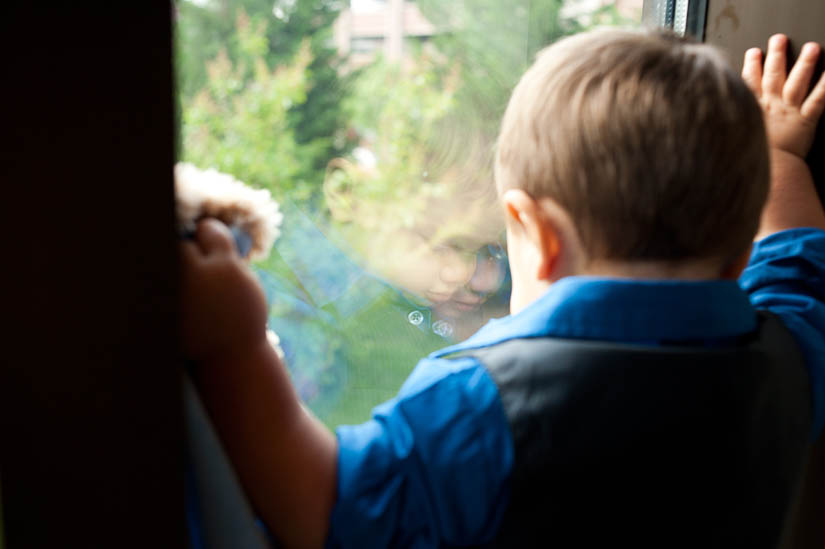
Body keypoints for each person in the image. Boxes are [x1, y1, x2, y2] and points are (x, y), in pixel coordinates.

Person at [179, 29, 825, 548]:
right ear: (739, 247)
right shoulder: (784, 356)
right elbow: (795, 261)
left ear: (532, 233)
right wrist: (783, 155)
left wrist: (234, 338)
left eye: (490, 245)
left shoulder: (481, 401)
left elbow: (322, 509)